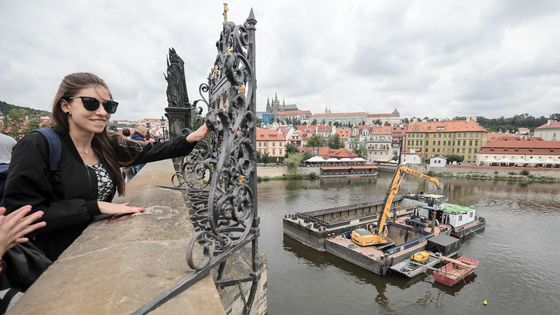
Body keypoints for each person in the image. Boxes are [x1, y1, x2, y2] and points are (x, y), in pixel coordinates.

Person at [3, 72, 208, 261]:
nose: (102, 112)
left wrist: (191, 138)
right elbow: (23, 214)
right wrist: (95, 206)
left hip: (93, 250)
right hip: (52, 260)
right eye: (91, 103)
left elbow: (149, 152)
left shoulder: (103, 144)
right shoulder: (38, 144)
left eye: (108, 106)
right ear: (65, 105)